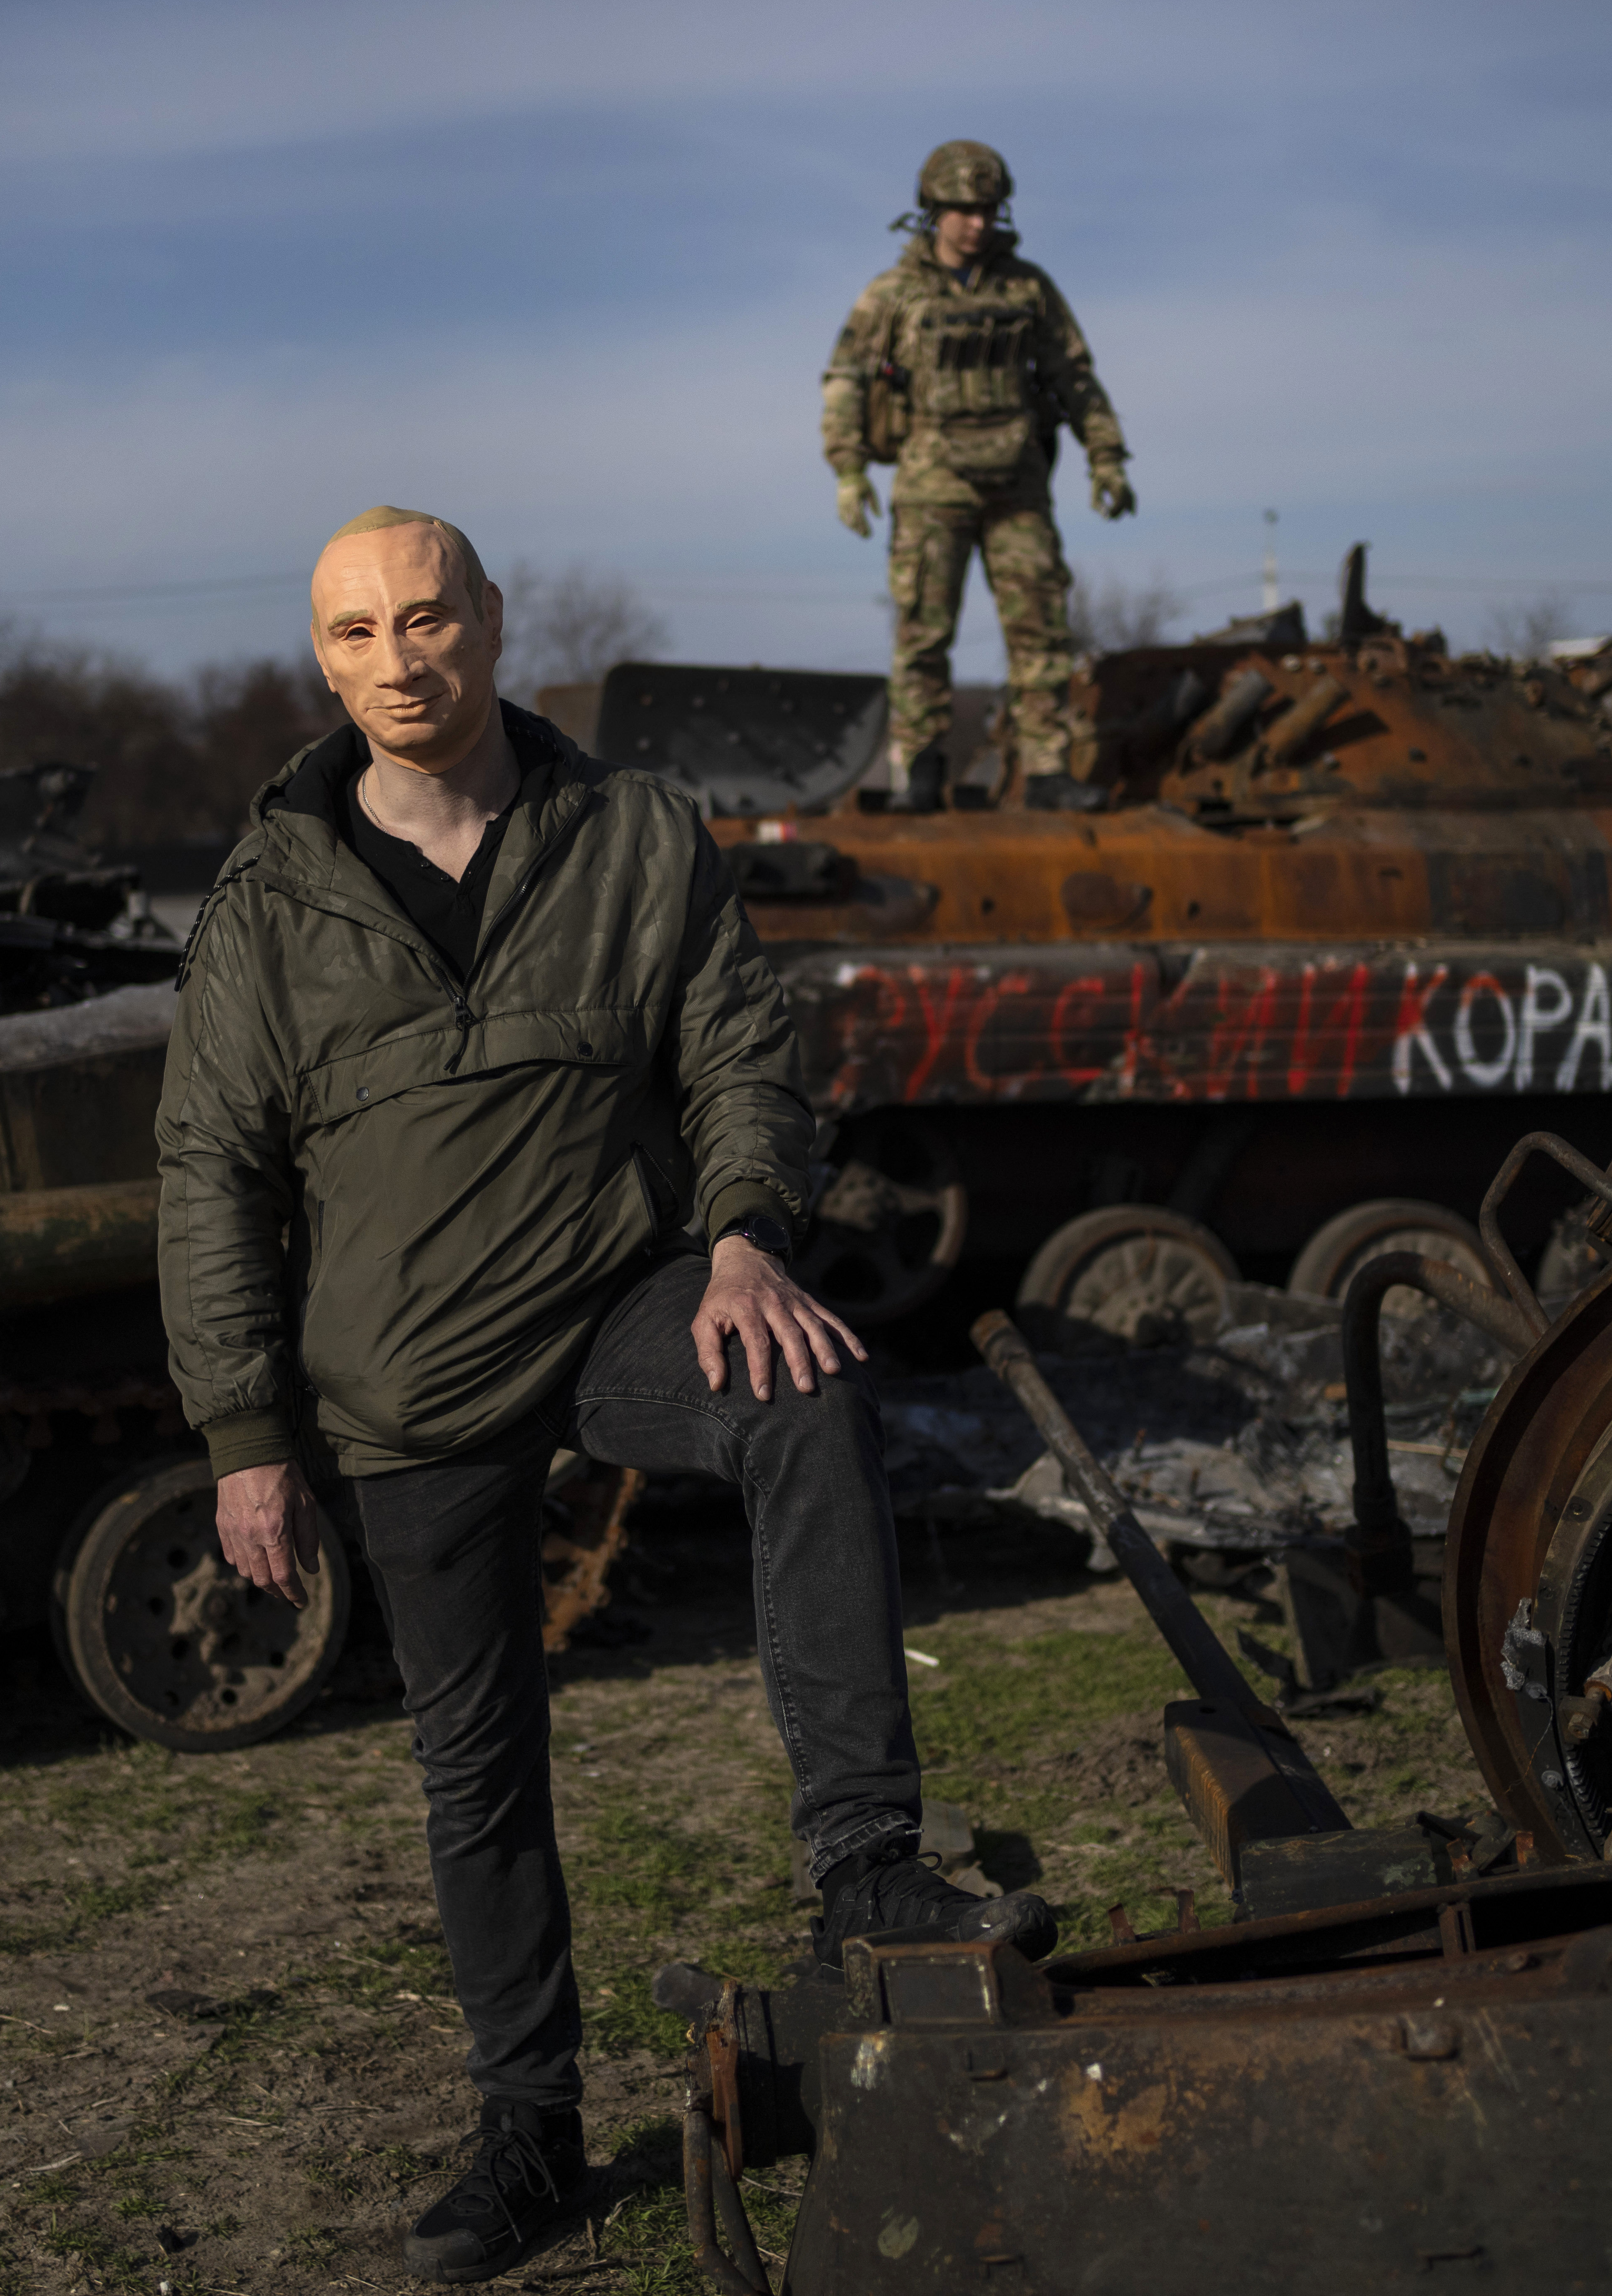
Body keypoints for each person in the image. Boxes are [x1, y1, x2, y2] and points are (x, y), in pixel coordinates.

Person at [158, 506, 1053, 2284]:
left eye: (427, 620)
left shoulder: (634, 834)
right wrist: (246, 1436)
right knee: (476, 1767)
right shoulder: (270, 900)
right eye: (355, 635)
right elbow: (210, 1169)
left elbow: (737, 1049)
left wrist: (740, 1238)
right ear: (321, 662)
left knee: (806, 1392)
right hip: (409, 1379)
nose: (398, 663)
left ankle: (865, 1853)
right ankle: (530, 2133)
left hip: (619, 1306)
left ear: (491, 623)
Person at [821, 138, 1136, 812]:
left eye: (988, 208)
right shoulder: (893, 294)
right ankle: (923, 768)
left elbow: (1074, 378)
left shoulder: (1027, 288)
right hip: (933, 484)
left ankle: (1048, 768)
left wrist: (1106, 454)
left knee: (1042, 629)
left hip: (1017, 484)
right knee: (923, 633)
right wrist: (849, 470)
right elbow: (845, 379)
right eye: (962, 209)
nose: (976, 222)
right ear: (932, 210)